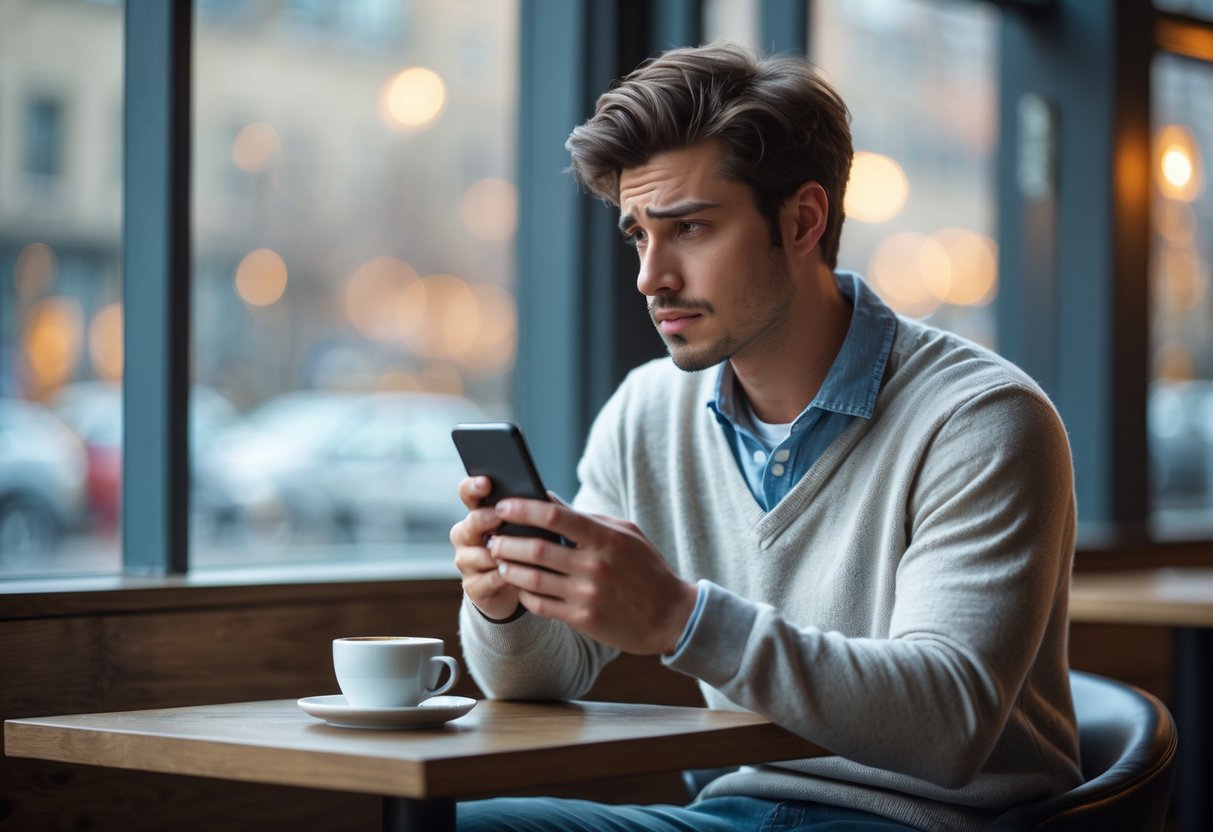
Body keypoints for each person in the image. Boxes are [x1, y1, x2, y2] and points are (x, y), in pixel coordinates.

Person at [450, 42, 1081, 832]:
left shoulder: (981, 418)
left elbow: (948, 722)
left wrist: (680, 618)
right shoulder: (647, 411)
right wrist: (508, 603)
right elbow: (554, 673)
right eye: (637, 235)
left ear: (802, 220)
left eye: (689, 228)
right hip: (733, 812)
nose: (652, 276)